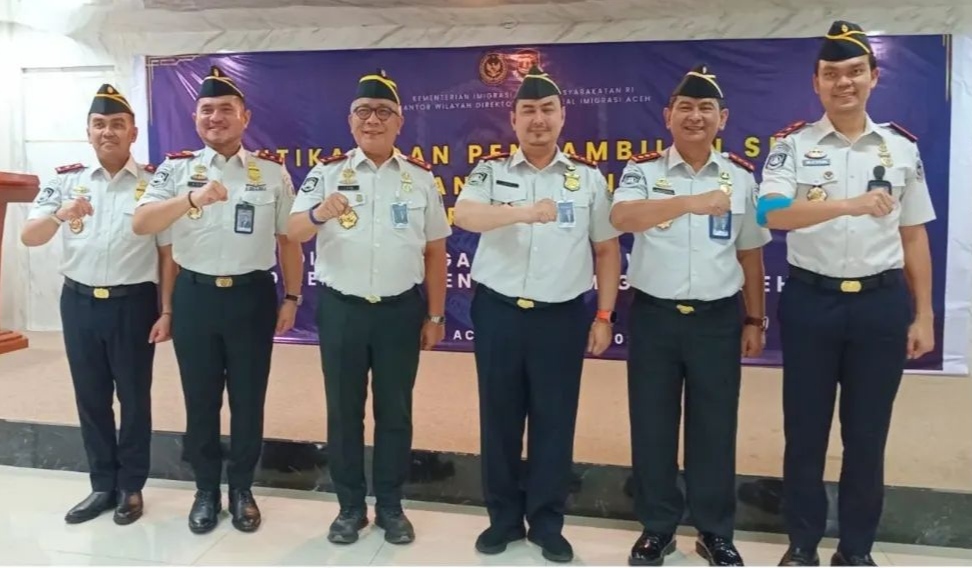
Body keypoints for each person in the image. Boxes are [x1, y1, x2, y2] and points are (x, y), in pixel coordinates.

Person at [757, 21, 935, 567]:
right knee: (805, 433)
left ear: (874, 77)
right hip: (812, 303)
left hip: (880, 306)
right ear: (816, 82)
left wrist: (924, 313)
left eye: (855, 71)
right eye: (831, 73)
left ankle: (856, 550)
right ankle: (802, 545)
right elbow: (771, 213)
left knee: (867, 436)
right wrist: (848, 204)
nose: (844, 82)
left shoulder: (900, 147)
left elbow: (914, 234)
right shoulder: (792, 145)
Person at [454, 65, 622, 563]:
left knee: (554, 421)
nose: (538, 119)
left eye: (547, 109)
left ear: (562, 116)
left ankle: (548, 522)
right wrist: (523, 212)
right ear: (513, 119)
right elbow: (465, 215)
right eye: (527, 110)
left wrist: (604, 315)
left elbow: (607, 250)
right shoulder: (490, 172)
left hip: (560, 318)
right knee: (500, 420)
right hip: (500, 313)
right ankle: (503, 519)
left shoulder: (587, 178)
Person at [610, 64, 771, 567]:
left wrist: (755, 320)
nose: (695, 116)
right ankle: (657, 528)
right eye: (685, 107)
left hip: (717, 320)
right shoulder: (643, 171)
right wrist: (689, 202)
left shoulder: (740, 177)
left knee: (714, 427)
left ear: (723, 118)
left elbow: (751, 254)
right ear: (667, 116)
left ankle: (714, 531)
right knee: (652, 425)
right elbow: (622, 217)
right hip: (655, 317)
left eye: (705, 108)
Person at [132, 65, 303, 534]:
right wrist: (191, 199)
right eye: (207, 109)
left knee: (248, 399)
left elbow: (289, 240)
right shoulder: (175, 171)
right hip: (196, 297)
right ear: (195, 117)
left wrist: (292, 296)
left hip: (251, 297)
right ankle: (206, 489)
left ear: (245, 117)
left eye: (226, 109)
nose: (215, 117)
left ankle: (242, 488)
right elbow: (142, 223)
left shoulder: (271, 172)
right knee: (201, 399)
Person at [286, 68, 451, 546]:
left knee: (395, 412)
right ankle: (350, 507)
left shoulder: (420, 178)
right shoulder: (326, 174)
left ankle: (391, 506)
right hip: (343, 310)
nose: (372, 120)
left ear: (400, 122)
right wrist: (318, 212)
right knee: (344, 413)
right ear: (350, 121)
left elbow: (436, 251)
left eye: (383, 112)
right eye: (363, 112)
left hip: (400, 312)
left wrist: (436, 315)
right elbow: (293, 232)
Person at [20, 84, 176, 526]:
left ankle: (131, 486)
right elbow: (29, 237)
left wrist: (167, 311)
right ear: (88, 132)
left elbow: (167, 254)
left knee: (134, 398)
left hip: (133, 304)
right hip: (80, 302)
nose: (108, 132)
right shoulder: (66, 181)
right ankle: (102, 485)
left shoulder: (155, 183)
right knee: (91, 397)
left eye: (117, 124)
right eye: (100, 124)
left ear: (133, 133)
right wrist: (60, 214)